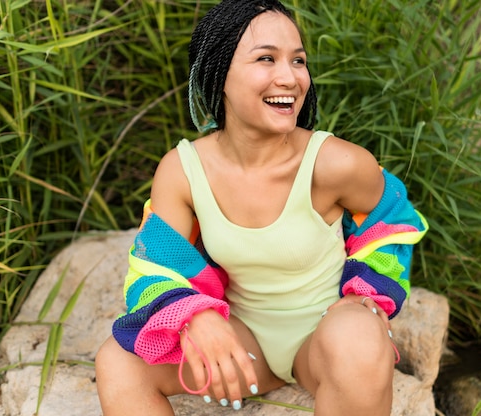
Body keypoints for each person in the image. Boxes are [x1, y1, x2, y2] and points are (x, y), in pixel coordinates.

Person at [95, 0, 428, 415]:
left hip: (326, 338)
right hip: (242, 343)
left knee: (358, 337)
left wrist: (366, 294)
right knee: (119, 360)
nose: (289, 78)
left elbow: (393, 220)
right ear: (219, 74)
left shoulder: (334, 164)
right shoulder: (183, 171)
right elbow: (156, 266)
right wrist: (195, 316)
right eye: (266, 59)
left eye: (298, 61)